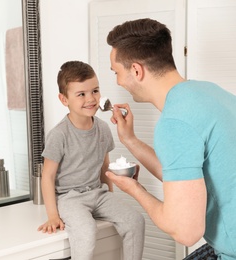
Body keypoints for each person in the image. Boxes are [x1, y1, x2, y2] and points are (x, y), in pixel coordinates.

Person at [105, 18, 236, 259]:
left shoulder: (175, 123)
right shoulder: (208, 92)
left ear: (136, 70)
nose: (118, 82)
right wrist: (130, 140)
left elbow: (185, 232)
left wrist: (134, 189)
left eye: (117, 72)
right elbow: (183, 176)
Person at [37, 61, 145, 260]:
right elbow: (48, 176)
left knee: (135, 220)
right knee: (86, 231)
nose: (91, 99)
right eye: (81, 94)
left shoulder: (103, 128)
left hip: (98, 194)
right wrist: (53, 215)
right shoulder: (59, 135)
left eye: (95, 91)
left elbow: (104, 166)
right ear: (64, 99)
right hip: (70, 198)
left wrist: (111, 196)